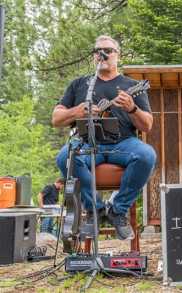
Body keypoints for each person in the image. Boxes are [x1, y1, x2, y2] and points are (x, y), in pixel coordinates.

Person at [52, 35, 157, 240]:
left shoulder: (131, 86)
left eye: (108, 50)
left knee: (147, 155)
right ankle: (96, 210)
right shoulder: (80, 84)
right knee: (64, 156)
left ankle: (117, 211)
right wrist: (77, 112)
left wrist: (132, 108)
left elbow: (148, 125)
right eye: (98, 51)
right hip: (88, 143)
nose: (103, 54)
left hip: (124, 144)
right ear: (94, 57)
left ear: (118, 55)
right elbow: (56, 119)